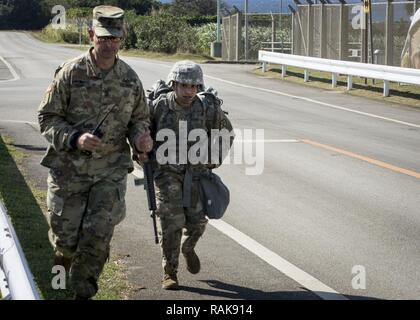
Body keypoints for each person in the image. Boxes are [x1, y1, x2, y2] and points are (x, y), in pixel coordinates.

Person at [38, 5, 152, 299]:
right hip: (69, 171)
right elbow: (47, 118)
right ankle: (58, 285)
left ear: (122, 37)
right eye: (103, 37)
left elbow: (139, 118)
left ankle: (82, 295)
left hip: (110, 172)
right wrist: (75, 138)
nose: (109, 43)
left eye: (114, 38)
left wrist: (141, 138)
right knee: (65, 242)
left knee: (97, 239)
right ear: (91, 35)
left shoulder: (129, 79)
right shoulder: (70, 73)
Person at [145, 61, 233, 290]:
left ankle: (188, 247)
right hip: (167, 173)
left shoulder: (207, 108)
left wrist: (215, 157)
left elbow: (226, 133)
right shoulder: (159, 106)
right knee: (171, 220)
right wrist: (140, 150)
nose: (189, 91)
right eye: (184, 85)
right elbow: (140, 130)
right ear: (174, 84)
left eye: (194, 86)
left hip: (196, 173)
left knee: (197, 223)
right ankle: (169, 272)